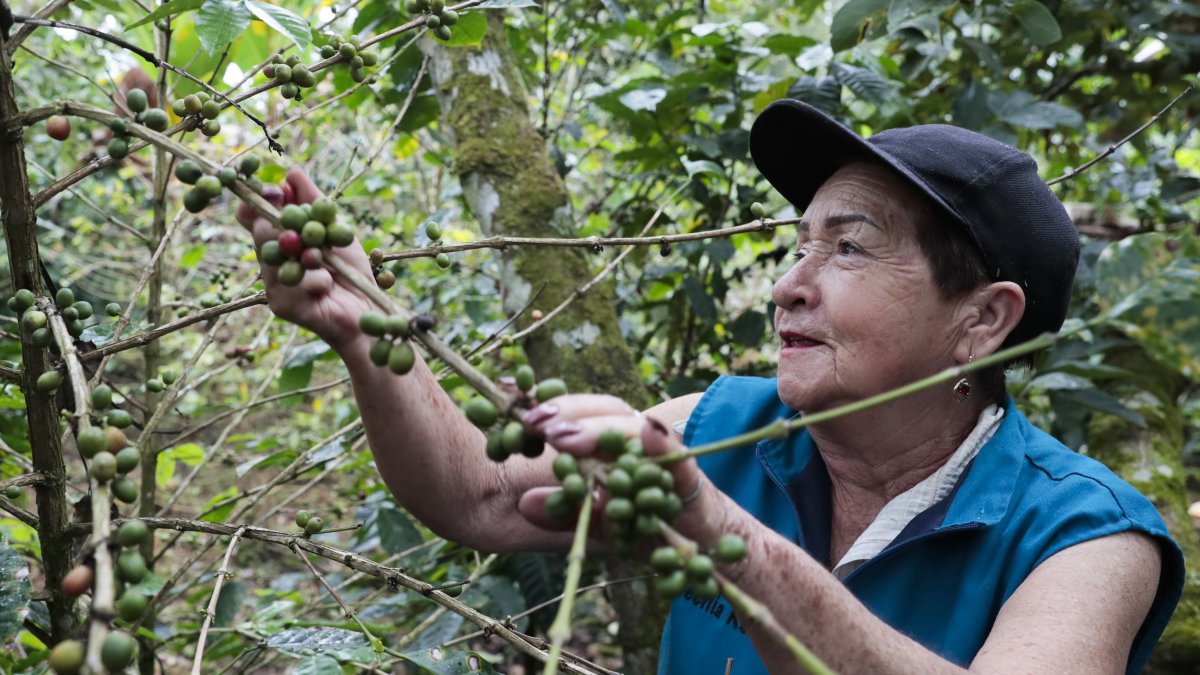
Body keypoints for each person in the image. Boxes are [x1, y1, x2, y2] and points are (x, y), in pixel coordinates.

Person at [237, 99, 1184, 674]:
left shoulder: (1089, 538)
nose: (789, 283)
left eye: (848, 248)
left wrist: (716, 528)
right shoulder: (726, 426)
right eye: (798, 244)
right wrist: (361, 326)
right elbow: (480, 497)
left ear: (982, 319)